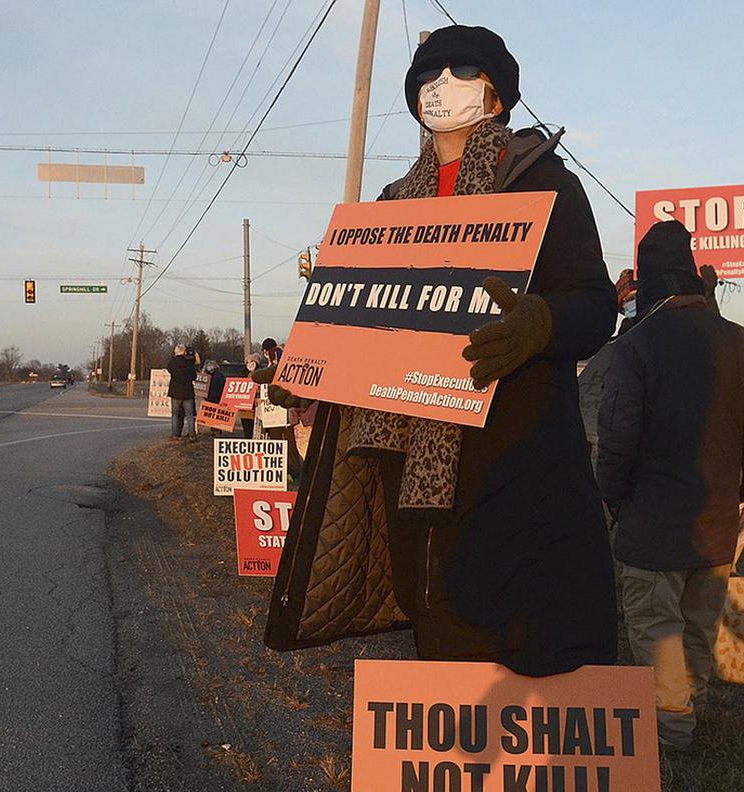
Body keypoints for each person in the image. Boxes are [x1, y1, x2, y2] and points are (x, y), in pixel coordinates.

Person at [259, 25, 619, 676]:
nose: (441, 85)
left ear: (498, 93)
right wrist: (313, 370)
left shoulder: (542, 184)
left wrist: (541, 323)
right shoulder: (392, 205)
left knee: (527, 644)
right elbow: (358, 330)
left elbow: (596, 306)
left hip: (516, 464)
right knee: (440, 635)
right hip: (413, 481)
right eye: (428, 74)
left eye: (461, 71)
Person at [596, 220, 744, 749]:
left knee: (658, 630)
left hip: (652, 523)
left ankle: (671, 734)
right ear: (695, 273)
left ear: (648, 278)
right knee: (699, 625)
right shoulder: (737, 339)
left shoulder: (637, 344)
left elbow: (617, 436)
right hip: (717, 520)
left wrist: (613, 498)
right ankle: (687, 710)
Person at [166, 344, 198, 440]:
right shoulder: (189, 363)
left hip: (175, 392)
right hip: (187, 392)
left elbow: (169, 369)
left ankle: (175, 435)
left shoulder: (172, 363)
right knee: (190, 415)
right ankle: (192, 435)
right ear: (184, 352)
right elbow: (194, 376)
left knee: (175, 415)